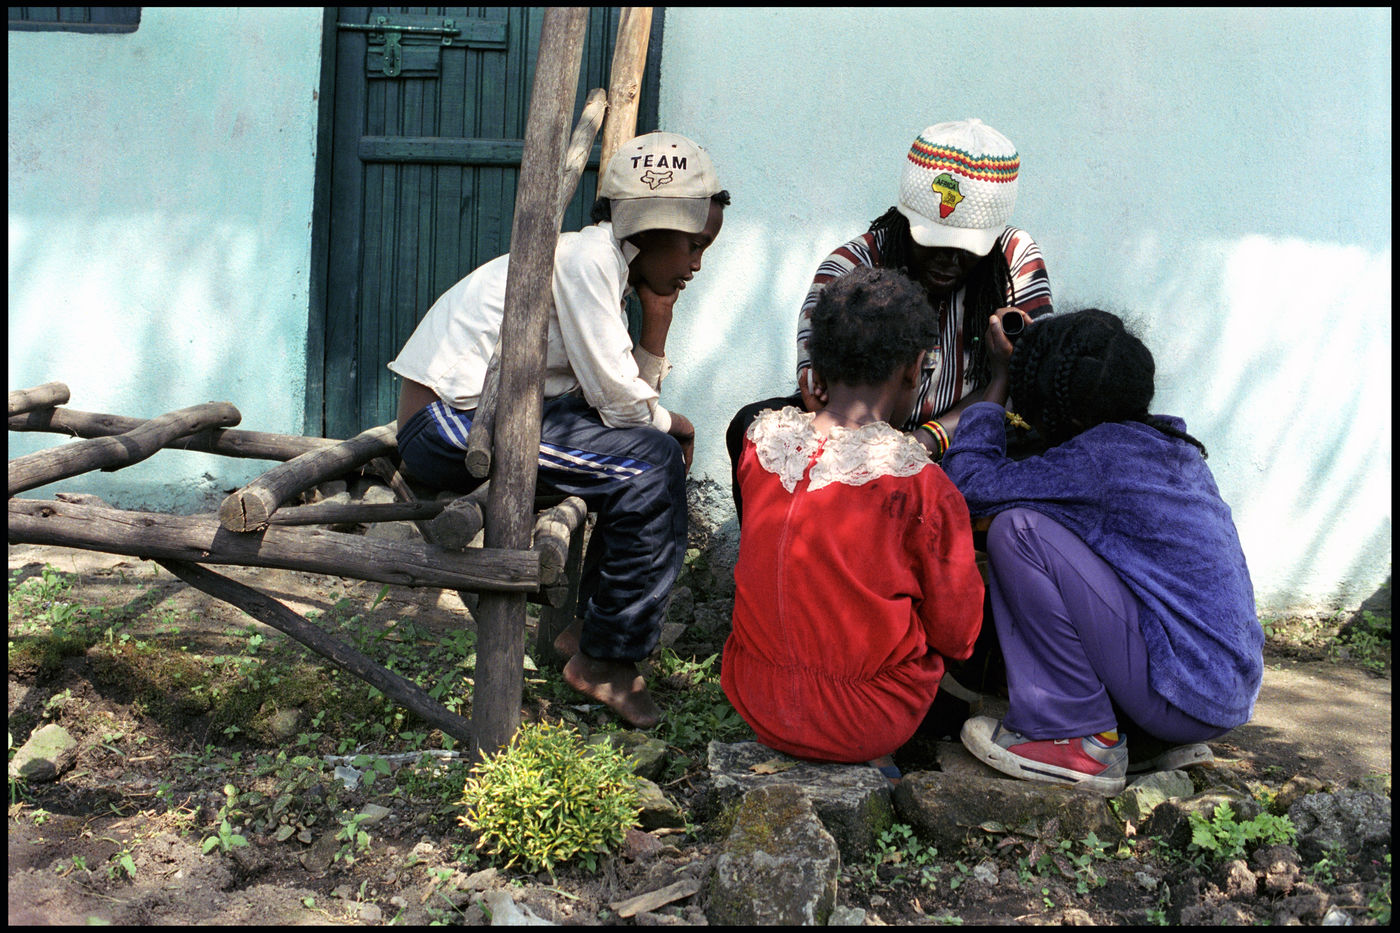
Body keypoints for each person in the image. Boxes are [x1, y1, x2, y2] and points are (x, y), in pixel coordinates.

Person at [388, 132, 730, 729]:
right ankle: (607, 656)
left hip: (497, 413)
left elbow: (620, 398)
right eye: (694, 245)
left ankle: (595, 633)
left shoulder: (604, 265)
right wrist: (674, 424)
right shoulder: (588, 260)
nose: (696, 265)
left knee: (648, 455)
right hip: (450, 424)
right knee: (651, 461)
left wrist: (657, 317)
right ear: (652, 227)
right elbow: (625, 405)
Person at [941, 308, 1263, 796]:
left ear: (1068, 415)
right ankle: (1142, 737)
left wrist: (999, 380)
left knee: (1018, 530)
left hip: (1182, 695)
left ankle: (1073, 737)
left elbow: (968, 486)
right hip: (1219, 693)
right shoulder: (1171, 446)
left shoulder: (1095, 460)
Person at [721, 267, 985, 783]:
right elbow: (957, 634)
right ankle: (871, 758)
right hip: (869, 718)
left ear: (818, 363)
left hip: (755, 695)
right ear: (915, 369)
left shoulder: (761, 443)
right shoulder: (921, 484)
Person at [725, 118, 1053, 521]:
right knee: (752, 427)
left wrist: (927, 440)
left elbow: (1031, 385)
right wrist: (889, 449)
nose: (949, 259)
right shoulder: (851, 266)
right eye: (933, 241)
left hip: (968, 438)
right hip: (856, 436)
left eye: (967, 247)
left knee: (1049, 446)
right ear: (904, 219)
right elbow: (818, 391)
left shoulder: (1014, 259)